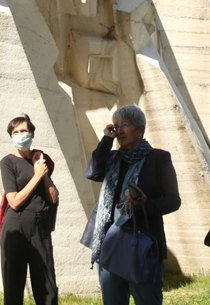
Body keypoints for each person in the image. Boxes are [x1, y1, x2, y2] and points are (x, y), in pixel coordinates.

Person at [85, 104, 180, 305]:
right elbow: (92, 172)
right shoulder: (112, 158)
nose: (119, 130)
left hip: (142, 244)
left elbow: (174, 200)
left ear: (140, 130)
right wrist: (106, 140)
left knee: (147, 300)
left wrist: (145, 205)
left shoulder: (159, 159)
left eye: (125, 125)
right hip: (110, 242)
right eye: (116, 125)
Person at [0, 114, 59, 305]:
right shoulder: (7, 162)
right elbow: (14, 201)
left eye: (23, 130)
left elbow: (53, 197)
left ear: (31, 133)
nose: (20, 135)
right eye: (15, 132)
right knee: (13, 282)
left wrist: (42, 172)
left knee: (46, 282)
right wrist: (36, 176)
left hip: (40, 226)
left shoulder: (40, 159)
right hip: (16, 226)